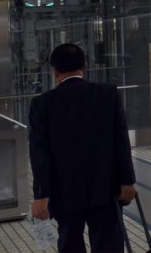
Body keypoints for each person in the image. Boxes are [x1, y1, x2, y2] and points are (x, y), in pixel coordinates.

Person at [28, 43, 136, 253]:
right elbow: (121, 141)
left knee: (69, 243)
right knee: (108, 244)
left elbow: (39, 153)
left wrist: (41, 194)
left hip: (64, 192)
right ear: (85, 66)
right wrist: (127, 181)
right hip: (105, 188)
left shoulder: (42, 104)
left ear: (55, 72)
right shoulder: (108, 94)